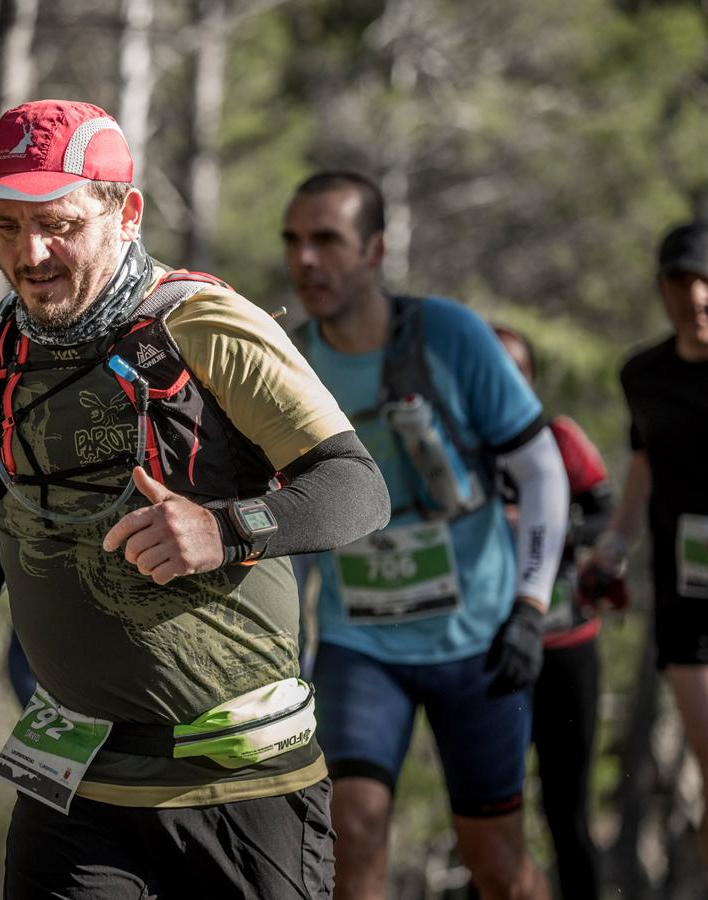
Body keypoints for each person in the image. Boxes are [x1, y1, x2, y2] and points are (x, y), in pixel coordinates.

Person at [0, 100, 390, 899]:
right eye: (4, 226)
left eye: (58, 223)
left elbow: (357, 488)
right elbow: (0, 481)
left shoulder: (203, 324)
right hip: (73, 779)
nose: (30, 254)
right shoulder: (5, 338)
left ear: (125, 212)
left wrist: (224, 528)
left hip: (239, 781)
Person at [282, 171, 570, 900]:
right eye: (293, 241)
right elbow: (281, 516)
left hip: (479, 640)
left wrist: (532, 610)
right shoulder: (286, 361)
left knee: (497, 863)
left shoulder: (451, 335)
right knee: (354, 827)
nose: (305, 260)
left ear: (375, 250)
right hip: (361, 645)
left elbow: (541, 470)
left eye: (327, 240)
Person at [581, 220, 708, 876]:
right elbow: (643, 466)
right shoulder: (644, 375)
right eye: (683, 282)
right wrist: (613, 546)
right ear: (663, 290)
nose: (697, 296)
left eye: (707, 281)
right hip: (689, 593)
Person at [494, 324, 614, 900]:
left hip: (567, 649)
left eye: (517, 370)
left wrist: (550, 529)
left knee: (567, 812)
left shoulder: (560, 438)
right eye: (495, 369)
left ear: (533, 379)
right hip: (491, 655)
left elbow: (608, 513)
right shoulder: (462, 450)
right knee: (492, 816)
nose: (506, 381)